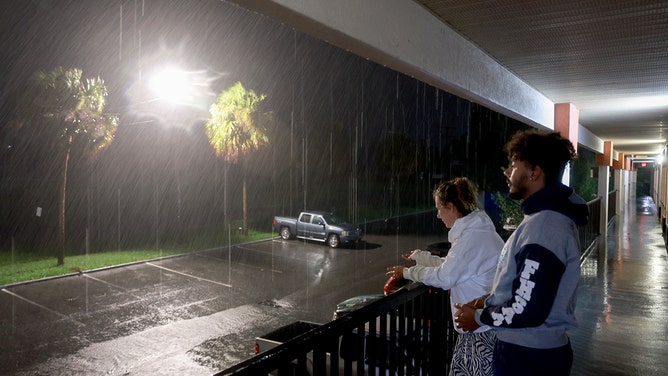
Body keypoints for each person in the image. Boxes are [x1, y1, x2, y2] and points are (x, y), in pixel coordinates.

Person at [454, 130, 588, 376]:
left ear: (534, 172)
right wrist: (489, 300)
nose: (507, 171)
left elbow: (527, 309)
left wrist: (480, 317)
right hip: (533, 351)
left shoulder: (544, 227)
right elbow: (530, 287)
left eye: (514, 164)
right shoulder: (543, 221)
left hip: (528, 357)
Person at [386, 177, 504, 375]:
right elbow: (453, 267)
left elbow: (446, 277)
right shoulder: (476, 232)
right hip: (481, 325)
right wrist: (420, 258)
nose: (438, 216)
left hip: (481, 330)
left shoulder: (471, 238)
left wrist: (407, 272)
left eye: (439, 209)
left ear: (450, 207)